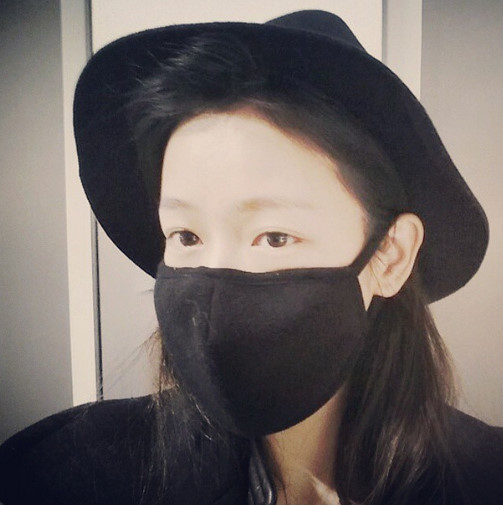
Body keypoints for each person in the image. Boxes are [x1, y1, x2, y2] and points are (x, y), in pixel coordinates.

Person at [0, 9, 502, 505]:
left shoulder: (484, 479)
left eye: (275, 237)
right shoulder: (62, 475)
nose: (215, 285)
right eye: (186, 236)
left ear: (389, 256)